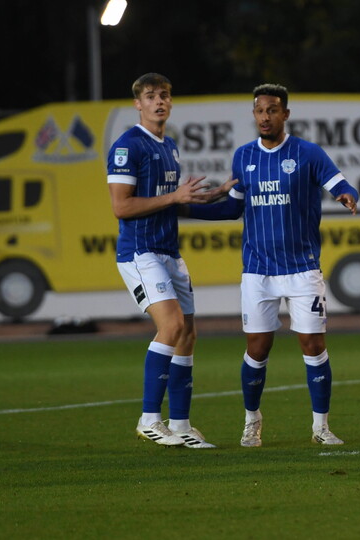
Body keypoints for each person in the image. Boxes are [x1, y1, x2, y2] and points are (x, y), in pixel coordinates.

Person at [185, 83, 359, 447]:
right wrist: (186, 209)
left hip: (302, 268)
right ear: (254, 115)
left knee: (313, 344)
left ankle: (321, 427)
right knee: (258, 347)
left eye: (273, 110)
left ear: (285, 115)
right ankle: (252, 421)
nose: (266, 116)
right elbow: (233, 208)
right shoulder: (243, 156)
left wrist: (347, 195)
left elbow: (339, 182)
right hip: (258, 271)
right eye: (260, 110)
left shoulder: (307, 153)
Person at [107, 73, 232, 448]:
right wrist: (175, 198)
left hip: (169, 252)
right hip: (140, 252)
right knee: (173, 324)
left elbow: (176, 202)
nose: (158, 101)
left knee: (188, 335)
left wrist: (217, 197)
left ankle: (180, 425)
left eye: (164, 95)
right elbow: (121, 206)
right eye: (150, 96)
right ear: (138, 104)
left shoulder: (169, 146)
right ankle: (149, 418)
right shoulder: (127, 146)